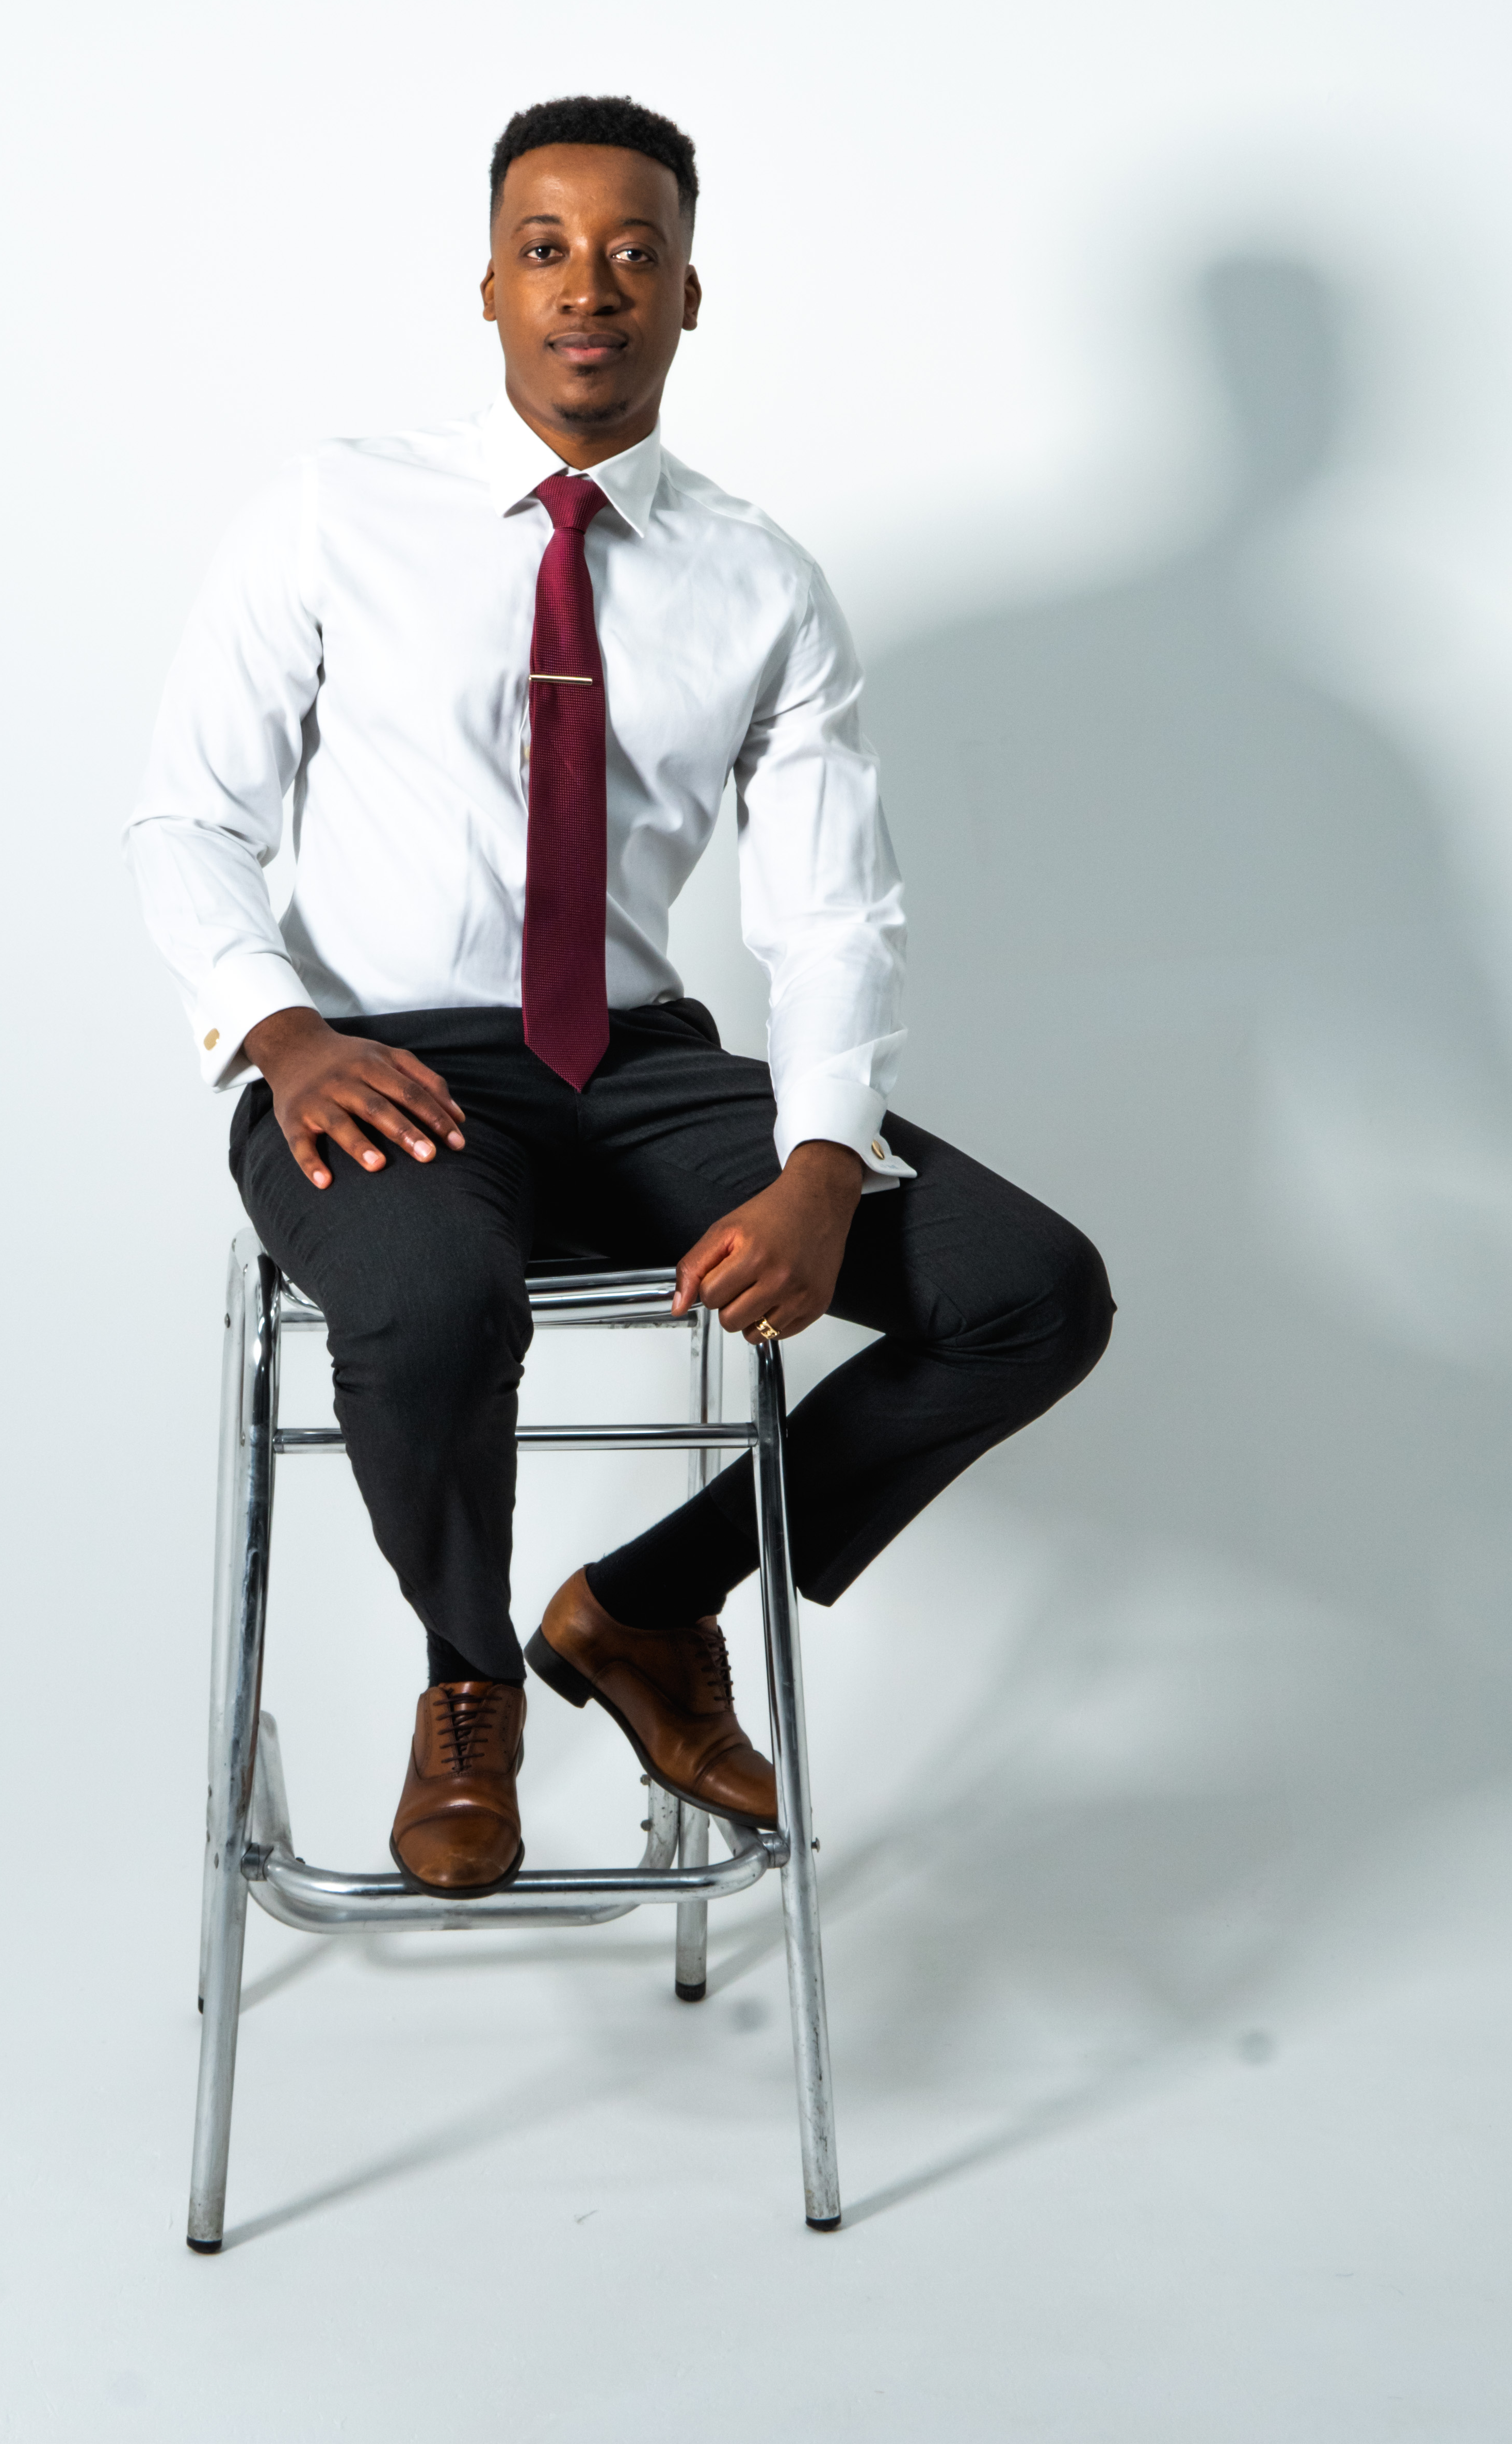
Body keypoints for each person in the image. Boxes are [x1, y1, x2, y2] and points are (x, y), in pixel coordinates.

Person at [126, 92, 1113, 1897]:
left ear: (688, 295)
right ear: (490, 289)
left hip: (642, 1076)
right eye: (547, 249)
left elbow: (832, 914)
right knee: (433, 1296)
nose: (590, 286)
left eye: (635, 253)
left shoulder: (759, 580)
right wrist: (282, 1033)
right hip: (377, 1060)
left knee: (1029, 1293)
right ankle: (470, 1680)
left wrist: (822, 1165)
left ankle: (646, 1608)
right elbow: (192, 818)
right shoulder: (336, 512)